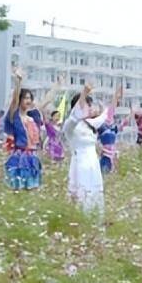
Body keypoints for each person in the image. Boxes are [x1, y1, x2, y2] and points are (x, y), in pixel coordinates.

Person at [63, 83, 109, 215]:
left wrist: (115, 100)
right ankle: (80, 219)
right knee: (82, 193)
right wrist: (84, 93)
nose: (89, 108)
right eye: (86, 105)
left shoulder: (90, 124)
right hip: (80, 164)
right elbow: (74, 116)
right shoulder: (70, 126)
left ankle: (95, 220)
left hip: (93, 163)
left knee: (95, 192)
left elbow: (104, 116)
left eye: (89, 105)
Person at [3, 69, 44, 191]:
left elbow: (45, 102)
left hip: (32, 156)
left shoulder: (32, 118)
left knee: (32, 188)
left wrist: (57, 85)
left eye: (30, 98)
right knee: (18, 187)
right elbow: (14, 101)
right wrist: (18, 82)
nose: (28, 101)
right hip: (20, 155)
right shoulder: (15, 116)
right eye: (25, 98)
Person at [97, 85, 123, 174]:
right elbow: (111, 109)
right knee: (104, 174)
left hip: (112, 156)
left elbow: (123, 123)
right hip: (106, 156)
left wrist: (132, 113)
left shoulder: (112, 128)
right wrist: (116, 96)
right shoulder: (101, 126)